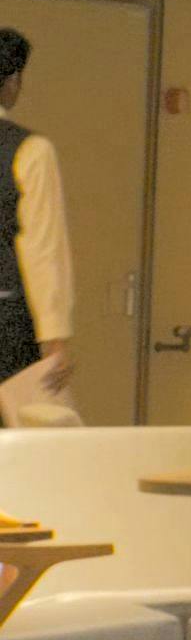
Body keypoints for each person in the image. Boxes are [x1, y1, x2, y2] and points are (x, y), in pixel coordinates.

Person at [0, 26, 70, 427]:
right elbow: (43, 248)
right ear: (12, 81)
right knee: (17, 446)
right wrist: (54, 338)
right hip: (8, 320)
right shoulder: (28, 150)